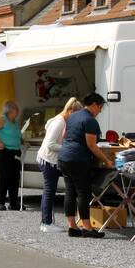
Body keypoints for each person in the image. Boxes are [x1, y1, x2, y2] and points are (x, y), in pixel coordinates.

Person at [57, 93, 114, 238]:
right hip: (78, 159)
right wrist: (107, 161)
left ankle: (72, 227)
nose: (100, 111)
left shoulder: (72, 116)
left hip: (64, 157)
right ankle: (88, 228)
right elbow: (92, 145)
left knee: (70, 192)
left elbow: (64, 136)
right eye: (100, 107)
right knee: (83, 193)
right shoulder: (90, 120)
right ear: (94, 104)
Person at [36, 98, 82, 231]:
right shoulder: (60, 122)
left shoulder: (61, 119)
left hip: (50, 159)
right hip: (48, 160)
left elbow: (47, 128)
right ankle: (47, 223)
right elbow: (50, 144)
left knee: (49, 191)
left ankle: (46, 222)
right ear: (70, 110)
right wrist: (67, 148)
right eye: (76, 114)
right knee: (49, 191)